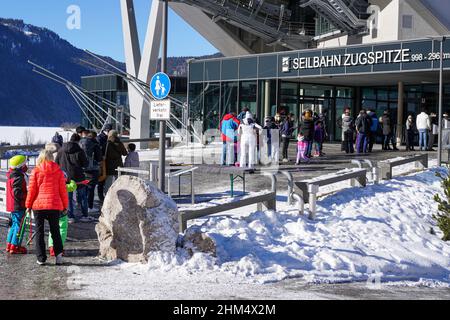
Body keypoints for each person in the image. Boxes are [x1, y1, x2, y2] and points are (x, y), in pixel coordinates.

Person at [25, 149, 68, 266]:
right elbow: (63, 191)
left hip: (38, 206)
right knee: (55, 231)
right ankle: (58, 256)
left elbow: (32, 191)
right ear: (51, 158)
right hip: (54, 205)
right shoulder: (58, 171)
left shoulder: (36, 171)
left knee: (39, 232)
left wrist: (28, 205)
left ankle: (41, 258)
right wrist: (65, 206)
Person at [55, 133, 89, 223]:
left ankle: (70, 216)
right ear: (78, 141)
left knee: (68, 197)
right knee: (82, 196)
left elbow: (56, 163)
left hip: (65, 177)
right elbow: (86, 164)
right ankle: (84, 215)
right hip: (79, 176)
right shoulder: (80, 151)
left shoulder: (61, 150)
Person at [48, 174, 77, 257]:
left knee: (52, 228)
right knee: (62, 229)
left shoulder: (50, 185)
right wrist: (71, 180)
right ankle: (59, 247)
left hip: (52, 209)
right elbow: (73, 186)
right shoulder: (64, 186)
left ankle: (51, 247)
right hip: (61, 210)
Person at [5, 155, 28, 254]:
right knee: (19, 225)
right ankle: (15, 246)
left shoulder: (11, 175)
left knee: (14, 225)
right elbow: (17, 192)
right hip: (18, 205)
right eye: (24, 164)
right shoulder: (18, 177)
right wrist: (26, 196)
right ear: (20, 166)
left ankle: (9, 244)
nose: (26, 166)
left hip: (13, 205)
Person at [80, 131, 102, 214]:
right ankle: (90, 206)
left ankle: (83, 207)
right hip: (92, 169)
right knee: (91, 188)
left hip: (82, 169)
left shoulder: (80, 143)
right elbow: (99, 158)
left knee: (83, 188)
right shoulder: (95, 144)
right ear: (94, 137)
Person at [96, 124, 113, 204]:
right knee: (101, 179)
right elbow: (98, 149)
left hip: (108, 161)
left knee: (107, 178)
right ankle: (100, 196)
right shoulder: (100, 138)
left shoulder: (108, 138)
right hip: (102, 161)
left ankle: (104, 195)